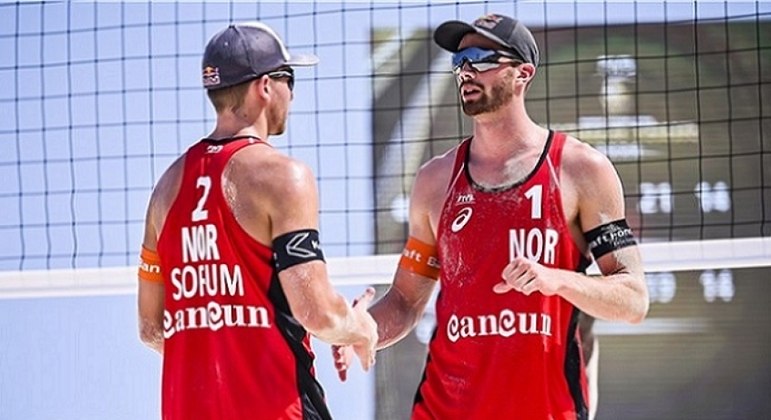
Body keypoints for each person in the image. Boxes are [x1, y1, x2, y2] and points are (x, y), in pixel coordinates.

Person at [334, 13, 649, 419]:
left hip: (546, 408)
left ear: (523, 73)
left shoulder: (580, 168)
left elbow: (633, 300)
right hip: (446, 408)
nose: (466, 71)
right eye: (460, 62)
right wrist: (363, 329)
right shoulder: (435, 179)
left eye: (482, 58)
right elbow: (405, 301)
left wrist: (557, 280)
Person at [137, 22, 378, 420]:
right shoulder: (282, 176)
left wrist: (221, 348)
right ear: (265, 86)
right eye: (289, 79)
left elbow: (151, 328)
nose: (293, 94)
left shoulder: (165, 190)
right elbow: (318, 313)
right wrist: (360, 327)